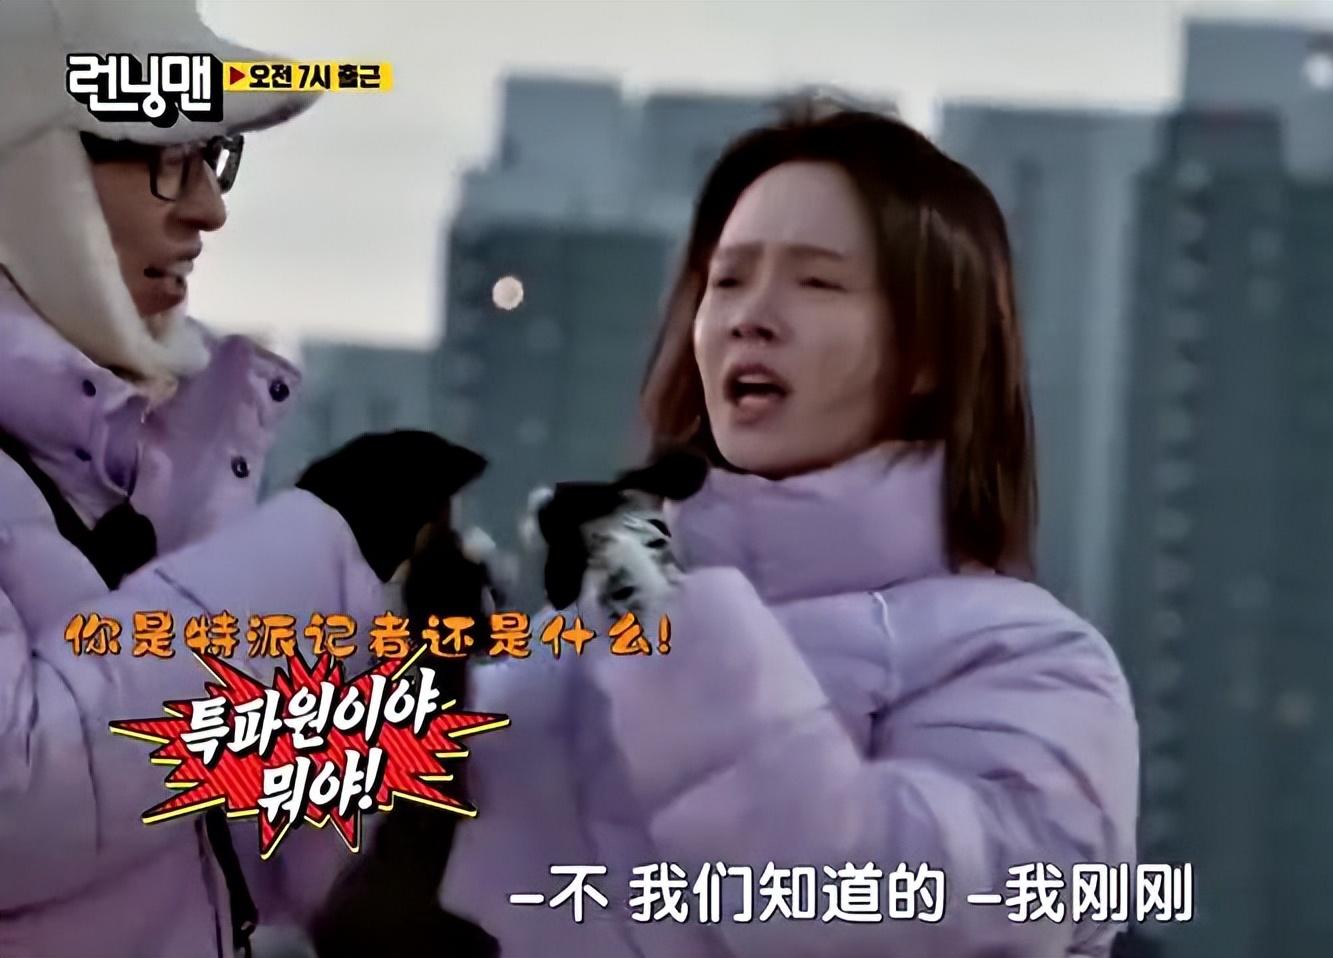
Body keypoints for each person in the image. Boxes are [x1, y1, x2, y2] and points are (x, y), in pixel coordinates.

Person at [439, 101, 1139, 957]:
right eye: (728, 281)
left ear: (928, 355)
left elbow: (872, 910)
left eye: (816, 283)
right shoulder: (583, 646)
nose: (751, 317)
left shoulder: (1029, 665)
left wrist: (664, 624)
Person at [0, 2, 482, 956]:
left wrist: (405, 680)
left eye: (213, 156)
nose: (208, 208)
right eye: (165, 157)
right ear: (30, 171)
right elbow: (19, 808)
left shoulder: (148, 465)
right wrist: (316, 545)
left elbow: (268, 860)